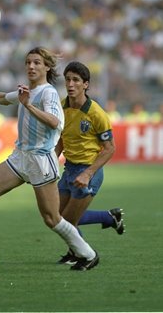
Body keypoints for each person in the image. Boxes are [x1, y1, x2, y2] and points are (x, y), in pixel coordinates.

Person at [0, 47, 99, 272]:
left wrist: (27, 104)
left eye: (37, 62)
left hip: (41, 161)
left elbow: (57, 122)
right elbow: (1, 98)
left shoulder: (48, 93)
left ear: (47, 67)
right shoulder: (26, 91)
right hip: (20, 158)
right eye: (28, 62)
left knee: (52, 219)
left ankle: (88, 254)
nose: (31, 66)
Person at [55, 61, 124, 265]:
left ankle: (84, 254)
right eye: (68, 79)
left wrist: (88, 173)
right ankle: (109, 218)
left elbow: (110, 148)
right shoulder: (62, 105)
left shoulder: (96, 113)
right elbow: (61, 137)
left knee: (66, 221)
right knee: (58, 216)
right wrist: (51, 160)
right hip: (69, 169)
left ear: (86, 84)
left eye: (76, 80)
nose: (71, 84)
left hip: (88, 171)